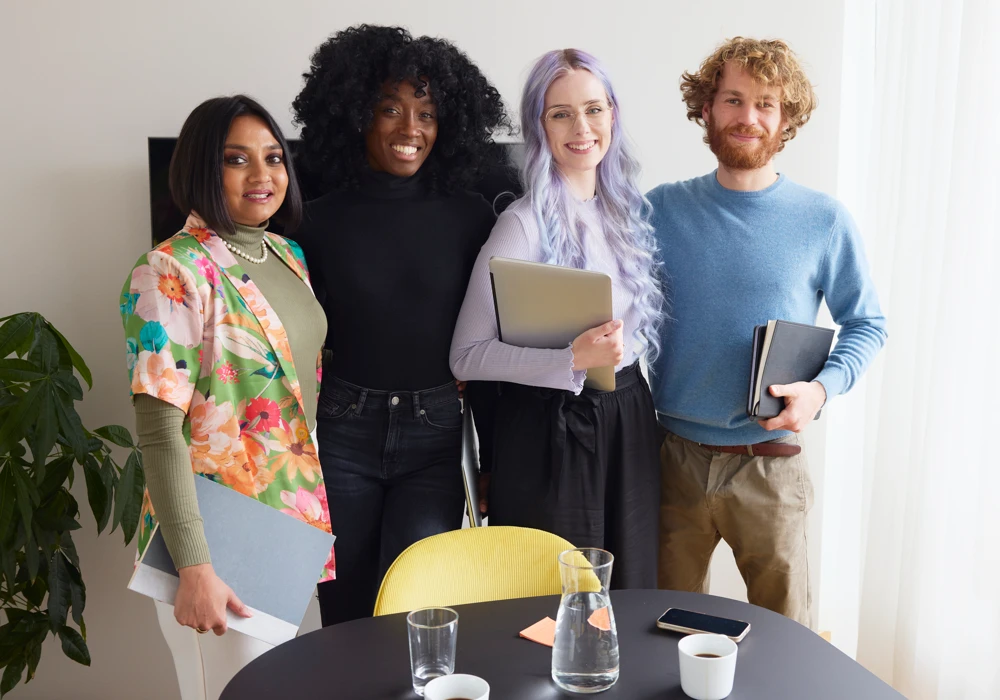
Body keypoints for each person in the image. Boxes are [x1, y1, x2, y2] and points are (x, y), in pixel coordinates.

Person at [646, 37, 888, 626]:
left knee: (787, 633)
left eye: (765, 104)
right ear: (706, 108)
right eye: (733, 99)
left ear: (786, 119)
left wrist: (822, 388)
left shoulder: (824, 220)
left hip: (771, 464)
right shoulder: (658, 210)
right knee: (659, 624)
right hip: (669, 459)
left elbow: (868, 323)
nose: (748, 117)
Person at [291, 24, 510, 626]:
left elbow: (485, 346)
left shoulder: (471, 219)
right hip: (342, 430)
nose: (411, 129)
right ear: (357, 113)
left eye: (428, 113)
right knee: (345, 611)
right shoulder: (315, 222)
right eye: (390, 109)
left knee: (415, 607)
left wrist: (488, 459)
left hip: (436, 435)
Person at [119, 95, 334, 700]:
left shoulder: (287, 256)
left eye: (273, 157)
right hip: (215, 532)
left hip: (289, 525)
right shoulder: (168, 270)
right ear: (199, 170)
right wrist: (194, 566)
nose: (262, 175)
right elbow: (159, 430)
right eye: (237, 159)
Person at [450, 49, 664, 590]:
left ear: (612, 114)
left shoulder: (627, 212)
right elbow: (466, 355)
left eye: (593, 109)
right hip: (554, 430)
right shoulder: (521, 224)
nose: (581, 127)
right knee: (554, 599)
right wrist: (570, 360)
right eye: (561, 113)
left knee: (630, 586)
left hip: (629, 417)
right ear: (539, 127)